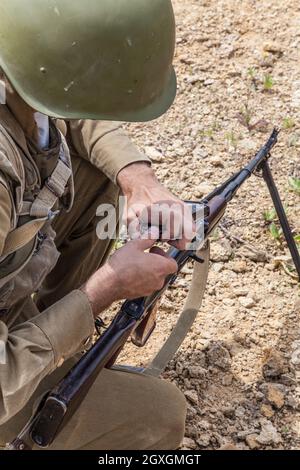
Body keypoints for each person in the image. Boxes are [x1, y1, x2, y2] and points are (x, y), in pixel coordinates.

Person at [0, 0, 194, 450]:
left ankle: (52, 342)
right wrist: (104, 289)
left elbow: (70, 106)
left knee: (97, 178)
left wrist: (137, 177)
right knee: (159, 414)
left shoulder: (17, 53)